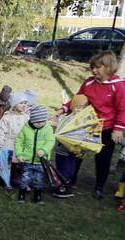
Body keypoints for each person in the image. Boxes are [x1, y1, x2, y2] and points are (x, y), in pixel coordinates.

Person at [54, 50, 125, 199]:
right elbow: (77, 99)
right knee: (76, 152)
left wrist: (118, 129)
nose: (93, 70)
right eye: (92, 67)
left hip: (106, 128)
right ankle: (70, 180)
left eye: (97, 67)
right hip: (86, 125)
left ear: (108, 67)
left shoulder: (118, 86)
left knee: (103, 158)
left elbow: (122, 109)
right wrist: (64, 109)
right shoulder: (89, 82)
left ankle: (99, 186)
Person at [14, 105, 55, 204]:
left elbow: (50, 141)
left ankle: (38, 196)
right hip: (27, 160)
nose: (40, 124)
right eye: (37, 122)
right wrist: (19, 154)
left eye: (42, 121)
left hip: (40, 162)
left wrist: (44, 150)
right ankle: (21, 195)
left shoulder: (48, 129)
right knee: (24, 179)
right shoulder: (26, 128)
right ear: (32, 120)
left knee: (39, 180)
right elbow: (18, 141)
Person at [0, 91, 31, 191]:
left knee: (20, 164)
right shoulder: (7, 117)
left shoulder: (27, 117)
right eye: (21, 103)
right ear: (14, 104)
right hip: (9, 144)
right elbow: (1, 131)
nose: (24, 105)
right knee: (8, 164)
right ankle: (6, 180)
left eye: (25, 103)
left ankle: (19, 180)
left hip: (22, 145)